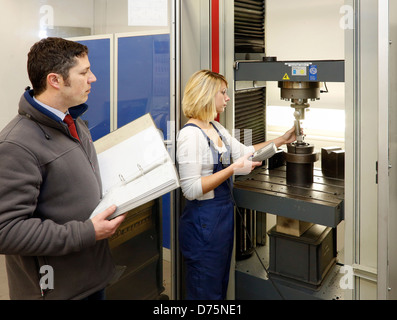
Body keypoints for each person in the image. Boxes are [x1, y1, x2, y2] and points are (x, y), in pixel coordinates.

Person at [0, 37, 125, 300]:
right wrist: (87, 232)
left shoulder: (74, 123)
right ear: (55, 80)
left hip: (91, 277)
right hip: (55, 290)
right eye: (84, 72)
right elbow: (6, 231)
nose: (93, 78)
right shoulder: (16, 144)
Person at [176, 69, 296, 300]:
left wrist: (282, 139)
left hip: (220, 222)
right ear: (206, 96)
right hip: (203, 224)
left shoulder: (216, 128)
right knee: (204, 291)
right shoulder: (190, 135)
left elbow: (246, 151)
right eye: (223, 92)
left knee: (218, 286)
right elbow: (190, 190)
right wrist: (233, 169)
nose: (228, 98)